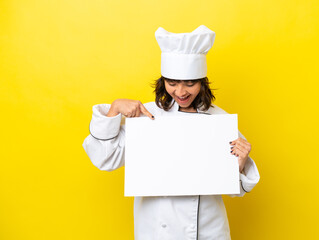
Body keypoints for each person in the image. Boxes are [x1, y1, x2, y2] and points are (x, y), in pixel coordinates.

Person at [82, 25, 260, 240]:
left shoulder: (219, 119)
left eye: (190, 83)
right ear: (162, 82)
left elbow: (234, 190)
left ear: (202, 83)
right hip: (157, 230)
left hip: (208, 230)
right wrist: (114, 110)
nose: (181, 92)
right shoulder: (147, 116)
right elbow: (105, 159)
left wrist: (240, 164)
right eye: (172, 83)